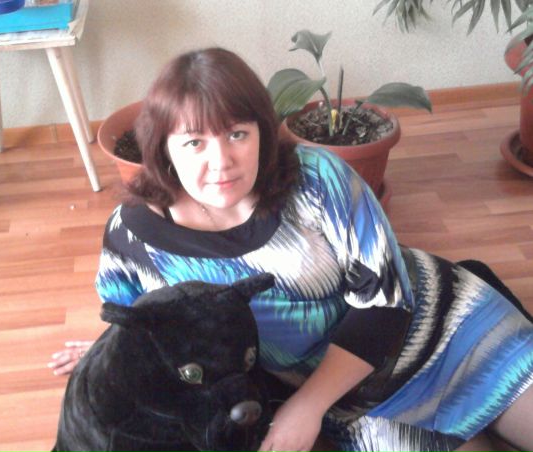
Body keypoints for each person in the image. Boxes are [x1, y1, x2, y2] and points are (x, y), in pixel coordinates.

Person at [49, 47, 533, 452]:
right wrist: (108, 349)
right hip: (352, 404)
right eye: (194, 142)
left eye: (237, 134)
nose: (221, 161)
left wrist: (307, 407)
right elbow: (142, 324)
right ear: (164, 150)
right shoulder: (133, 237)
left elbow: (386, 304)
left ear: (262, 131)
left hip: (446, 329)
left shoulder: (319, 180)